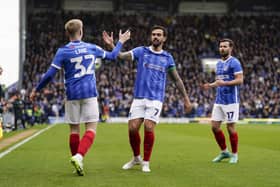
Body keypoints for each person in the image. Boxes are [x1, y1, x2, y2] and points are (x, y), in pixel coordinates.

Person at [30, 19, 131, 176]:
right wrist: (119, 42)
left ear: (67, 33)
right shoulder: (91, 47)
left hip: (72, 94)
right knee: (91, 129)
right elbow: (112, 57)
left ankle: (77, 163)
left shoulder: (62, 51)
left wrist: (36, 90)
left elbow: (50, 75)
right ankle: (79, 157)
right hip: (89, 93)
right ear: (81, 31)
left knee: (74, 130)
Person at [103, 25, 192, 172]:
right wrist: (114, 44)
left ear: (164, 38)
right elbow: (120, 56)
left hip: (156, 99)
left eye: (159, 35)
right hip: (139, 97)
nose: (156, 37)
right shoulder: (141, 51)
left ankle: (146, 162)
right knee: (132, 129)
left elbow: (177, 80)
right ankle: (136, 158)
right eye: (153, 34)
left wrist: (186, 99)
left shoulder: (167, 58)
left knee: (149, 126)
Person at [201, 38, 243, 164]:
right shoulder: (218, 63)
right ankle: (224, 152)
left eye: (225, 46)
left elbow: (240, 80)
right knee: (214, 127)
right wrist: (211, 85)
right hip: (219, 100)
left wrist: (225, 83)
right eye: (220, 46)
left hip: (231, 101)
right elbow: (219, 81)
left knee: (230, 128)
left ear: (231, 48)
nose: (222, 48)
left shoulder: (234, 62)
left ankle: (235, 154)